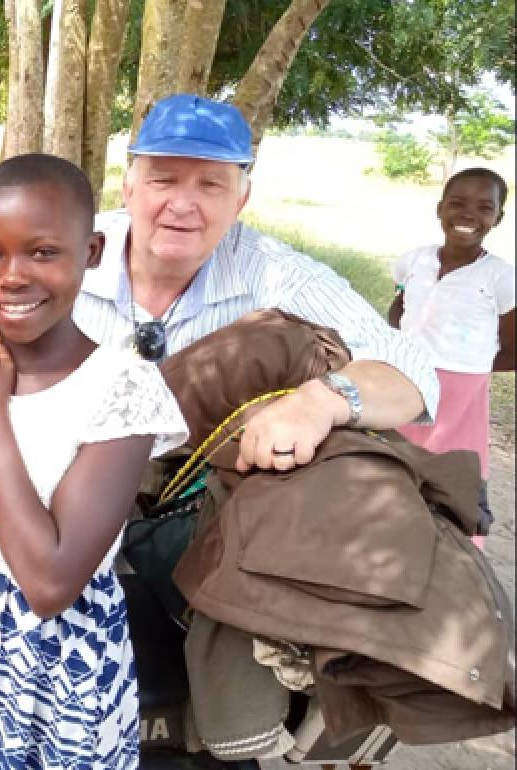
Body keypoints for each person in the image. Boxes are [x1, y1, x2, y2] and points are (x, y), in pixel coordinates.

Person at [0, 154, 188, 768]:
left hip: (55, 674)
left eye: (42, 252)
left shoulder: (122, 389)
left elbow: (50, 582)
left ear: (91, 251)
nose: (12, 276)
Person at [73, 94, 439, 470]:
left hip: (186, 493)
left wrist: (320, 402)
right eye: (164, 181)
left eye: (211, 185)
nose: (182, 205)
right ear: (129, 189)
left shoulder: (272, 272)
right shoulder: (61, 249)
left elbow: (412, 369)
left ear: (240, 200)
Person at [388, 167, 515, 542]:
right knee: (396, 453)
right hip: (406, 374)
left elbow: (513, 350)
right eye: (457, 203)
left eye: (483, 206)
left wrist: (468, 367)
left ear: (498, 218)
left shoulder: (501, 278)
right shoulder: (414, 260)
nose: (467, 214)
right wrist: (402, 342)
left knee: (450, 466)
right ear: (440, 208)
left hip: (461, 391)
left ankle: (451, 547)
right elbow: (400, 305)